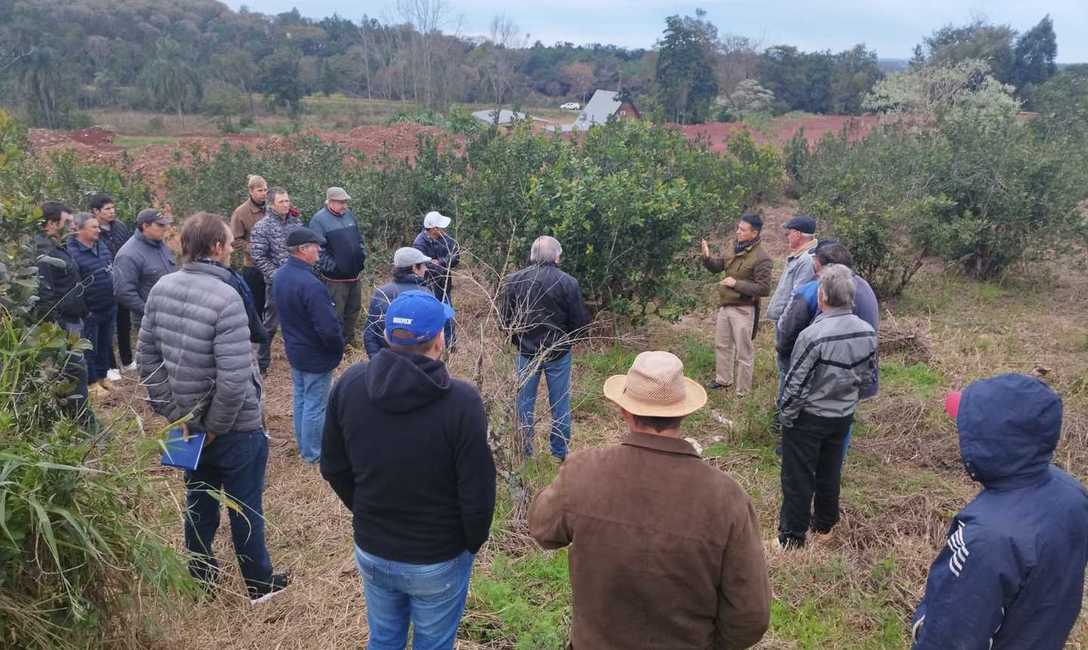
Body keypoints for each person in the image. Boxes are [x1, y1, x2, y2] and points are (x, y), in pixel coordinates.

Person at [529, 351, 770, 649]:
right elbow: (751, 616)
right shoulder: (728, 498)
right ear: (685, 412)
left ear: (624, 411)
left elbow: (542, 529)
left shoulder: (582, 472)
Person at [321, 291, 496, 649]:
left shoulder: (350, 385)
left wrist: (367, 511)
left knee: (384, 639)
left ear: (386, 336)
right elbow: (477, 493)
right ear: (439, 341)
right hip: (437, 558)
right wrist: (470, 544)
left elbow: (333, 467)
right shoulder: (462, 403)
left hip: (373, 548)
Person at [138, 211, 288, 603]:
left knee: (197, 501)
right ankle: (260, 585)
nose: (233, 249)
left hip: (181, 425)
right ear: (217, 247)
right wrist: (216, 426)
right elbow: (236, 377)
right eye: (230, 243)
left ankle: (201, 581)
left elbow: (147, 359)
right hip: (234, 426)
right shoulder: (228, 296)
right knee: (244, 506)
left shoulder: (161, 288)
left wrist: (174, 413)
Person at [912, 374, 1088, 649]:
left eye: (970, 430)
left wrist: (924, 624)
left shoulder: (988, 540)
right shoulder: (1071, 493)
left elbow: (950, 637)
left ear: (993, 442)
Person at [776, 264, 877, 549]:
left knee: (797, 477)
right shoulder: (867, 331)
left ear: (823, 296)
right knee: (830, 471)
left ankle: (792, 538)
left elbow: (795, 383)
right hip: (842, 416)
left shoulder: (813, 335)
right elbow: (868, 376)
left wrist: (787, 417)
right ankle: (824, 526)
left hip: (810, 417)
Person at [775, 241, 879, 457]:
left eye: (816, 265)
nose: (814, 270)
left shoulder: (816, 291)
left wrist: (786, 358)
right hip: (853, 377)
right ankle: (835, 459)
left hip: (821, 376)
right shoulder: (866, 288)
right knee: (843, 417)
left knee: (809, 418)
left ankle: (796, 450)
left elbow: (789, 329)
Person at [500, 236, 591, 461]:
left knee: (524, 403)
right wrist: (565, 342)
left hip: (526, 351)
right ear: (556, 256)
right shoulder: (568, 282)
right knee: (559, 401)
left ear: (532, 255)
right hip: (557, 352)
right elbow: (580, 322)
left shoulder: (514, 280)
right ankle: (559, 454)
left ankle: (524, 452)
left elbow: (505, 320)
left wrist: (519, 341)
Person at [272, 228, 344, 464]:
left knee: (302, 398)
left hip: (295, 349)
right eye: (315, 246)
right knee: (315, 404)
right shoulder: (311, 285)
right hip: (315, 353)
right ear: (303, 250)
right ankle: (313, 454)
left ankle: (305, 446)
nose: (319, 250)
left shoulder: (281, 276)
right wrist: (336, 348)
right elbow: (328, 327)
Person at [699, 212, 773, 396]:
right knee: (722, 345)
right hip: (725, 305)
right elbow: (719, 267)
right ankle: (723, 380)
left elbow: (764, 289)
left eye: (742, 229)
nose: (738, 231)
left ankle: (743, 392)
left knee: (743, 351)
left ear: (754, 233)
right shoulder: (734, 247)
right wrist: (707, 259)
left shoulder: (762, 258)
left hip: (744, 309)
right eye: (738, 228)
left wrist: (736, 284)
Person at [34, 202, 93, 422]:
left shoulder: (58, 246)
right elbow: (45, 296)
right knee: (74, 373)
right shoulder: (44, 253)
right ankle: (82, 424)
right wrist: (58, 330)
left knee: (74, 373)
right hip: (63, 326)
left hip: (73, 321)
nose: (72, 225)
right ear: (51, 223)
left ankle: (78, 421)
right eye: (67, 222)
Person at [249, 186, 302, 374]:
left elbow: (303, 247)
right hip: (277, 285)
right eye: (282, 201)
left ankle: (298, 358)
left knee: (298, 322)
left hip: (298, 282)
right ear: (272, 204)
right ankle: (262, 364)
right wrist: (276, 275)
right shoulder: (262, 227)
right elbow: (258, 256)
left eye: (287, 200)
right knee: (270, 325)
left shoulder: (295, 222)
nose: (286, 204)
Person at [67, 212, 116, 398]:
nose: (98, 230)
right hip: (89, 311)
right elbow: (73, 286)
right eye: (93, 227)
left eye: (98, 226)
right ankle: (92, 382)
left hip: (108, 306)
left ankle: (103, 376)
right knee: (90, 348)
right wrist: (84, 309)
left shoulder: (101, 246)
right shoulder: (72, 253)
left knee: (105, 344)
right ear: (80, 229)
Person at [309, 187, 366, 348]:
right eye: (341, 202)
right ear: (330, 202)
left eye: (345, 202)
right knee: (336, 314)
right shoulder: (319, 220)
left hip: (355, 275)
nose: (344, 205)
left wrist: (362, 256)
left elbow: (359, 240)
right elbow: (318, 251)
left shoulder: (349, 215)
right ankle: (335, 346)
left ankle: (349, 343)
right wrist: (334, 268)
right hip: (335, 280)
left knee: (353, 310)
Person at [90, 193, 133, 380]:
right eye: (107, 209)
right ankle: (110, 366)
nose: (112, 212)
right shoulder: (92, 230)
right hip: (104, 285)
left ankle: (127, 360)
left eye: (113, 208)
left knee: (125, 323)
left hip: (122, 281)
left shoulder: (120, 227)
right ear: (95, 211)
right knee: (107, 328)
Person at [363, 246, 432, 358]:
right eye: (423, 265)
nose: (426, 269)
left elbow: (370, 332)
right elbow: (432, 336)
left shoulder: (381, 292)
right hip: (415, 365)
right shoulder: (425, 294)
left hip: (384, 362)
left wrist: (375, 360)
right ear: (414, 267)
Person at [112, 208, 177, 323]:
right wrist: (149, 313)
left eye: (165, 224)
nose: (166, 228)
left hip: (170, 314)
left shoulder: (160, 245)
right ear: (145, 226)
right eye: (160, 225)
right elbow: (124, 292)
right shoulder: (128, 254)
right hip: (150, 321)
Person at [413, 210, 460, 349]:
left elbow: (456, 257)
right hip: (428, 286)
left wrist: (440, 262)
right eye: (441, 227)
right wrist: (436, 264)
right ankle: (429, 347)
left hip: (444, 284)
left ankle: (451, 346)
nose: (444, 230)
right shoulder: (419, 243)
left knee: (448, 316)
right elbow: (423, 265)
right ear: (433, 229)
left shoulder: (447, 240)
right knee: (429, 317)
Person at [230, 175, 270, 321]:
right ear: (251, 191)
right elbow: (235, 241)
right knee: (255, 309)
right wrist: (254, 248)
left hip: (274, 266)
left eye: (266, 190)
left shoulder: (272, 208)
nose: (264, 193)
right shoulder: (240, 213)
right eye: (260, 190)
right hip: (254, 268)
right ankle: (256, 341)